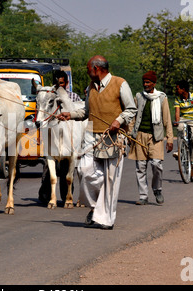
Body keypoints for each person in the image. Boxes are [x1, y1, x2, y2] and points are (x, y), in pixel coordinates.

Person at [58, 55, 137, 230]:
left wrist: (119, 120)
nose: (87, 72)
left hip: (114, 139)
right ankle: (96, 207)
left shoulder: (120, 83)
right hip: (91, 136)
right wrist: (69, 115)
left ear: (96, 69)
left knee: (111, 179)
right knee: (84, 171)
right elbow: (86, 112)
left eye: (88, 69)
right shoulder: (90, 88)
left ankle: (106, 220)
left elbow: (131, 108)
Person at [128, 71, 173, 205]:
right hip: (140, 135)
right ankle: (143, 196)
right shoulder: (138, 97)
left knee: (156, 164)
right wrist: (131, 133)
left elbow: (167, 119)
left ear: (154, 83)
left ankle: (157, 189)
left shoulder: (161, 98)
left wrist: (170, 139)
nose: (145, 85)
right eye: (144, 82)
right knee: (140, 167)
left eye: (148, 82)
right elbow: (133, 116)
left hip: (156, 137)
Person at [38, 71, 82, 204]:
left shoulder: (74, 97)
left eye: (62, 83)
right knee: (48, 168)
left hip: (69, 137)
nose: (59, 86)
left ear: (66, 83)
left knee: (67, 170)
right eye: (57, 83)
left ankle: (67, 196)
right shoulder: (48, 96)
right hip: (52, 136)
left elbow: (80, 115)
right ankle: (47, 196)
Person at [174, 80, 193, 174]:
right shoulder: (177, 98)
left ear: (183, 89)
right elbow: (177, 112)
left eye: (177, 88)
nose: (176, 90)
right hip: (183, 118)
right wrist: (177, 121)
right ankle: (180, 149)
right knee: (179, 128)